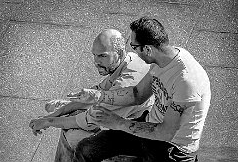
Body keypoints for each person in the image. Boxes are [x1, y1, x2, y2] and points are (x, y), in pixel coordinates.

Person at [68, 16, 211, 162]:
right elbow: (137, 94)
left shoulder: (186, 81)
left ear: (147, 49)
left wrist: (118, 123)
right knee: (86, 150)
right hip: (148, 127)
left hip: (171, 150)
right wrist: (98, 95)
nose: (134, 52)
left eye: (134, 47)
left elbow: (166, 132)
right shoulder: (162, 60)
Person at [29, 29, 154, 160]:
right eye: (94, 55)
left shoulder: (127, 81)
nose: (96, 61)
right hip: (124, 119)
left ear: (119, 53)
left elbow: (88, 120)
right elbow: (96, 95)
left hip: (138, 142)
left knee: (72, 136)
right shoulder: (127, 60)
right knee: (70, 118)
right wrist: (54, 114)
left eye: (102, 56)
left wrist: (48, 121)